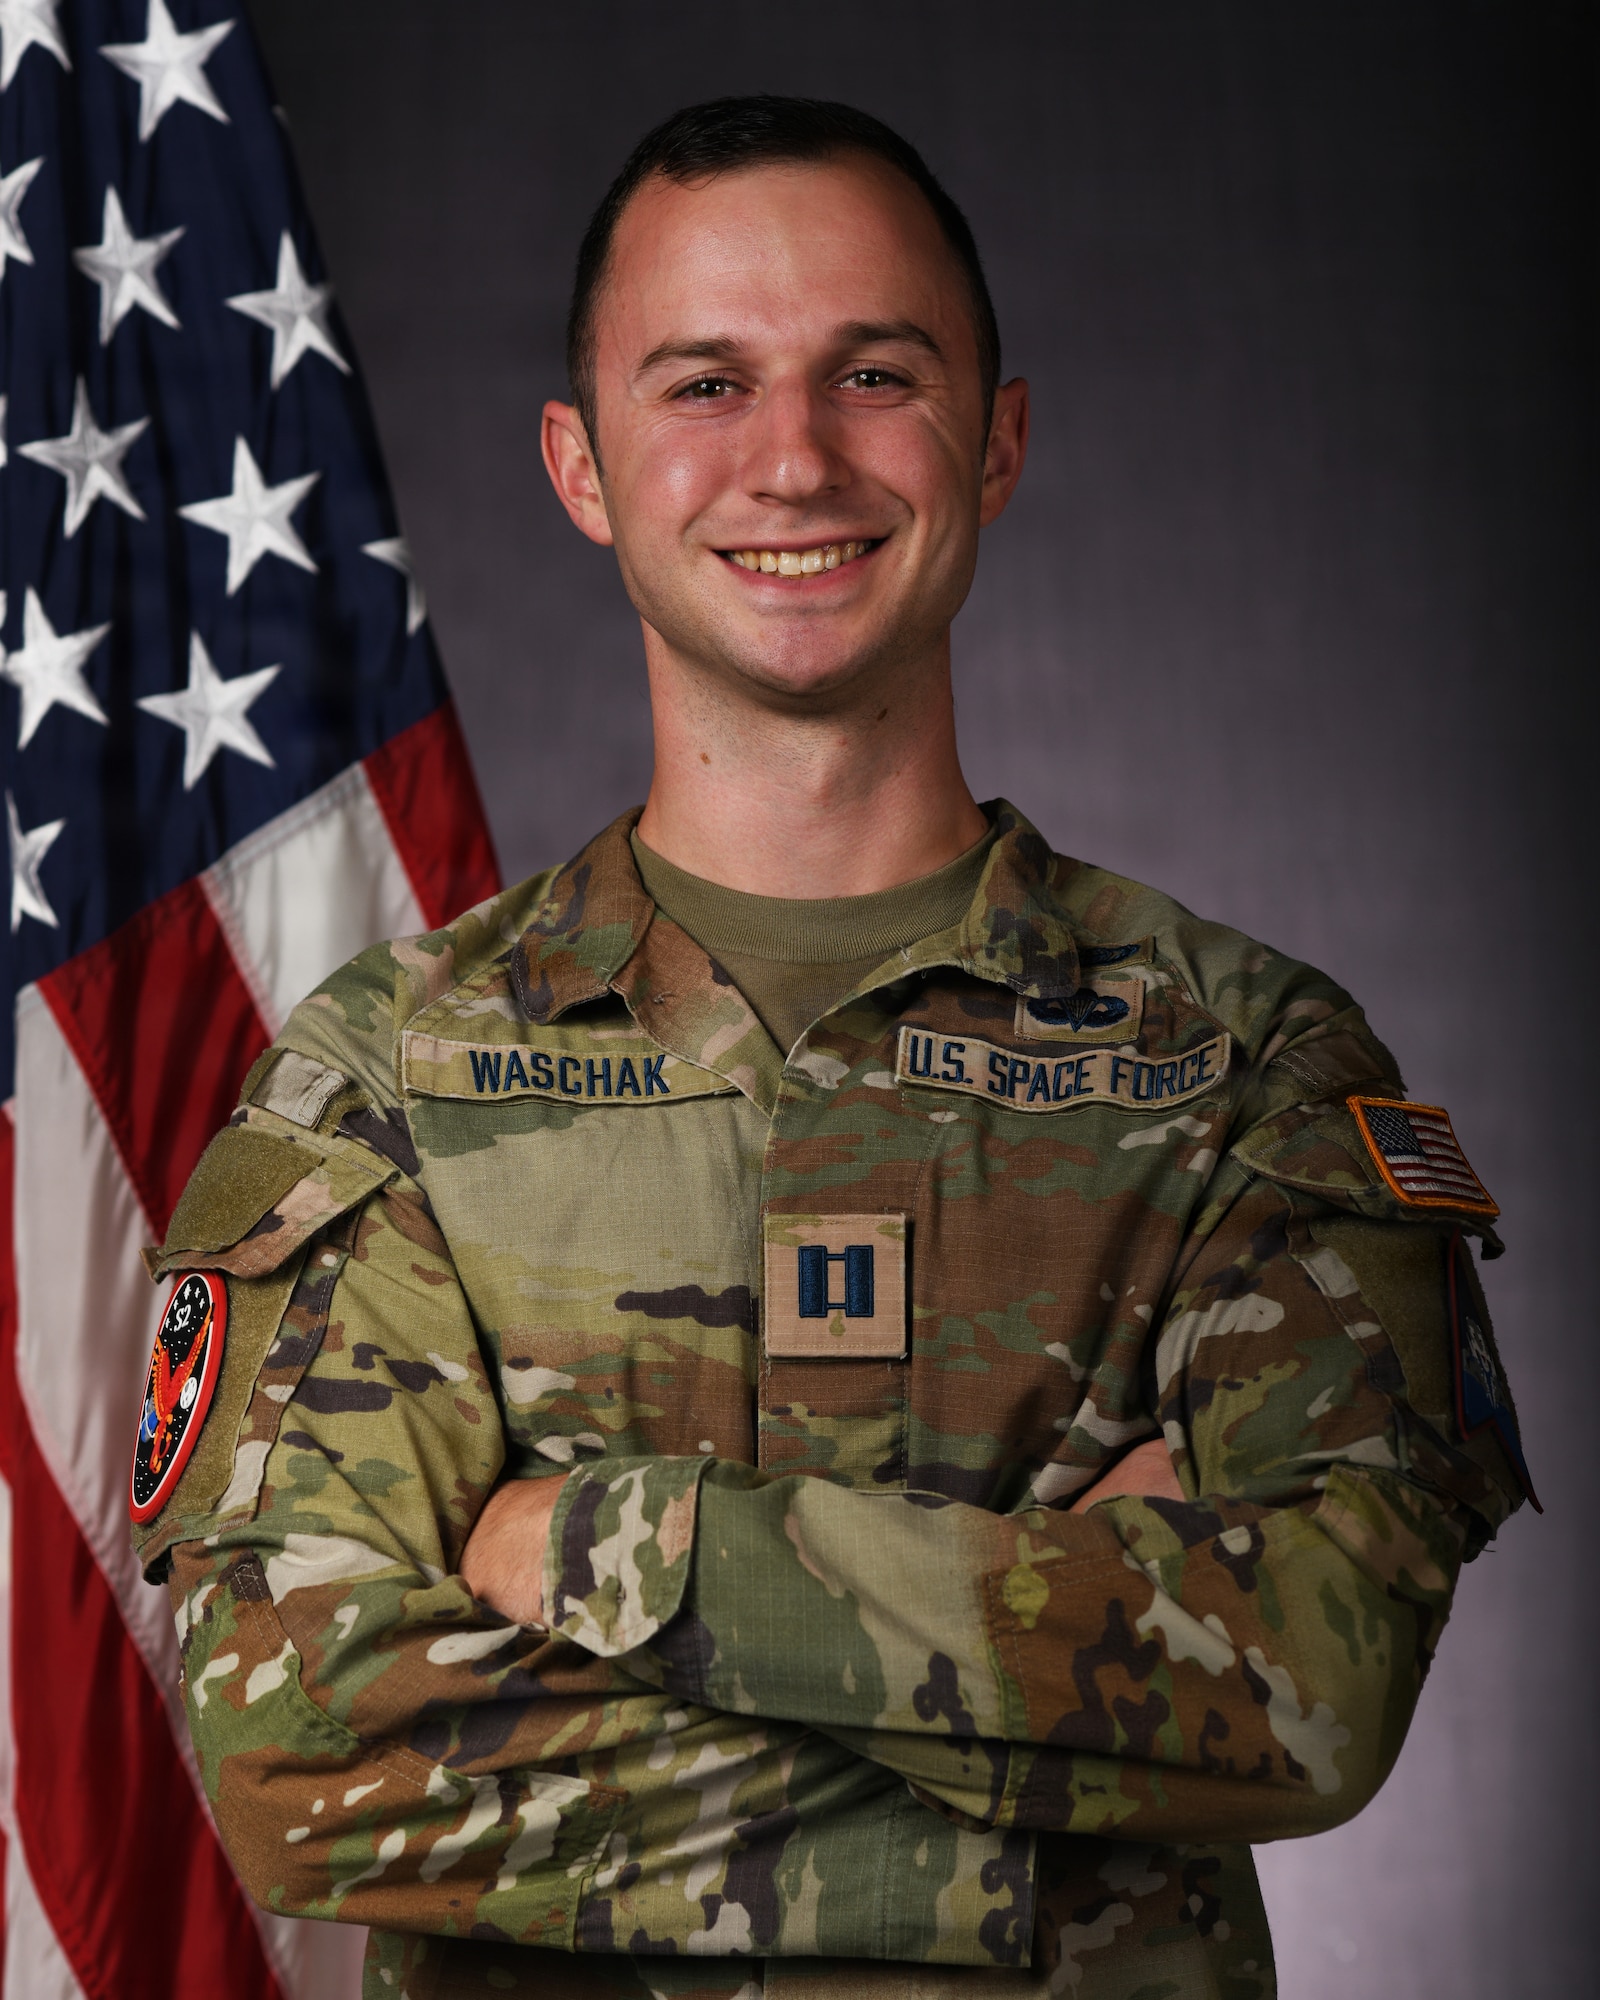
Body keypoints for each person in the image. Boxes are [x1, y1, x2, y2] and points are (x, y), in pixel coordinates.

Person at [131, 96, 1530, 2000]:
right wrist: (1066, 1730)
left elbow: (1315, 1679)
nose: (792, 460)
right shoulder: (389, 1077)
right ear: (582, 465)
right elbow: (309, 1761)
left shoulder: (1246, 1065)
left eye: (874, 374)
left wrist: (609, 1549)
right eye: (703, 384)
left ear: (1000, 438)